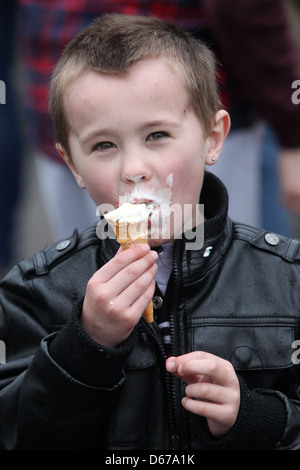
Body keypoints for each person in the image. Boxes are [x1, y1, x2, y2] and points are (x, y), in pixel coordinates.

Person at [0, 14, 300, 450]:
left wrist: (255, 418)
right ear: (72, 165)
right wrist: (86, 345)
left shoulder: (288, 278)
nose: (134, 170)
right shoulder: (33, 292)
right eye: (104, 145)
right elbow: (18, 433)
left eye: (157, 135)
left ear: (213, 139)